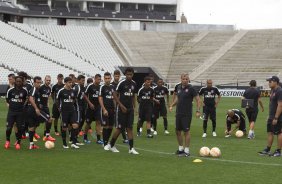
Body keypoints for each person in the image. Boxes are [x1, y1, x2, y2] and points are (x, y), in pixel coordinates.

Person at [108, 67, 139, 154]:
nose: (129, 76)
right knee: (119, 128)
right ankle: (111, 145)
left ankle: (131, 148)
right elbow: (114, 94)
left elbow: (133, 96)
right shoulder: (121, 83)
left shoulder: (134, 84)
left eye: (131, 74)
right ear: (125, 75)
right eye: (128, 74)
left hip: (130, 109)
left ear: (133, 75)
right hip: (121, 109)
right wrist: (121, 106)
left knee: (129, 128)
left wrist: (135, 107)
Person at [169, 73, 201, 157]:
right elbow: (178, 99)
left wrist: (198, 110)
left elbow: (198, 100)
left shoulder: (191, 88)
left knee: (186, 131)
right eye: (183, 79)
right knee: (177, 131)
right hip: (178, 113)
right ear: (181, 79)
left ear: (188, 79)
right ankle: (180, 149)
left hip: (186, 114)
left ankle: (187, 151)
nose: (185, 80)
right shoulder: (179, 87)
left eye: (186, 79)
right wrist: (172, 105)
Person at [258, 76, 282, 157]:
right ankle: (268, 149)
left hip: (278, 116)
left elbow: (280, 105)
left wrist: (276, 117)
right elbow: (272, 105)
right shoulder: (272, 90)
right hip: (271, 116)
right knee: (270, 132)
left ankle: (278, 151)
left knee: (279, 132)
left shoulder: (279, 91)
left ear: (275, 82)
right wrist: (270, 115)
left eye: (270, 81)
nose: (269, 83)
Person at [28, 76, 53, 149]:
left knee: (32, 127)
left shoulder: (37, 89)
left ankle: (31, 145)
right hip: (34, 110)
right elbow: (31, 98)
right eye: (37, 82)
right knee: (49, 119)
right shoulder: (34, 89)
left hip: (33, 110)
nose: (39, 84)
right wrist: (36, 108)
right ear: (34, 82)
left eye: (40, 82)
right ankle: (47, 136)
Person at [5, 76, 28, 149]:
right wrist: (12, 106)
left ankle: (18, 142)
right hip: (11, 112)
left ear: (22, 82)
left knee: (20, 128)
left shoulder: (25, 91)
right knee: (9, 128)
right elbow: (7, 100)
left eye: (20, 81)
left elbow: (26, 100)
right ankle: (7, 141)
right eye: (17, 81)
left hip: (20, 112)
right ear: (15, 81)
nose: (18, 83)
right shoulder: (10, 90)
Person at [57, 77, 80, 149]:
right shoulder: (61, 91)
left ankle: (73, 142)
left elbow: (74, 99)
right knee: (64, 128)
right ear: (66, 83)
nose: (71, 84)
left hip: (72, 111)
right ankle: (64, 143)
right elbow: (57, 100)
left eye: (71, 82)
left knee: (75, 125)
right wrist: (59, 109)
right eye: (69, 82)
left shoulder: (73, 91)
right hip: (64, 112)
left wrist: (71, 104)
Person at [84, 74, 103, 144]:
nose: (99, 81)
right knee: (88, 123)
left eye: (100, 79)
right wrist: (90, 103)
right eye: (98, 79)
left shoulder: (101, 87)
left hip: (98, 108)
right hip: (90, 108)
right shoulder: (90, 86)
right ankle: (85, 137)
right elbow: (85, 95)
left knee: (98, 122)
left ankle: (98, 139)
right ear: (95, 79)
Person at [99, 72, 116, 149]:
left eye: (108, 78)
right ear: (104, 79)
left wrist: (115, 107)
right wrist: (104, 109)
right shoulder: (102, 87)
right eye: (106, 78)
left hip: (112, 109)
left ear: (111, 78)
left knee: (110, 126)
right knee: (105, 126)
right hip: (105, 109)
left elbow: (114, 98)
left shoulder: (113, 87)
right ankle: (105, 143)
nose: (107, 80)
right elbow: (100, 98)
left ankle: (107, 141)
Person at [111, 70, 128, 143]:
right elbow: (113, 96)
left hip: (119, 106)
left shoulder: (121, 84)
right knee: (112, 124)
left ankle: (124, 138)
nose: (117, 77)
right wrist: (115, 106)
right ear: (113, 76)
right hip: (112, 106)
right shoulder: (111, 85)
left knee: (121, 123)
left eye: (118, 76)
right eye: (116, 76)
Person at [39, 75, 56, 142]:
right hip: (40, 107)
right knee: (36, 122)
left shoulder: (49, 88)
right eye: (47, 80)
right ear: (44, 80)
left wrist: (47, 105)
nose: (48, 81)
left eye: (49, 80)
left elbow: (47, 98)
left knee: (49, 120)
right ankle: (32, 134)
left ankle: (46, 135)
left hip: (45, 107)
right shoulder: (41, 88)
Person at [73, 75, 86, 144]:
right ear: (78, 81)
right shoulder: (76, 88)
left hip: (81, 108)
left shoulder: (83, 87)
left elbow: (83, 96)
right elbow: (72, 98)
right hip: (77, 108)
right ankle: (74, 140)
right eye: (82, 80)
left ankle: (75, 138)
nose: (83, 82)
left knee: (80, 122)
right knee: (77, 123)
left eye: (84, 80)